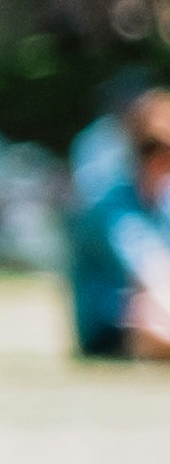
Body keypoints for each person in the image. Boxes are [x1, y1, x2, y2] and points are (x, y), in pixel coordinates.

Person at [73, 94, 170, 363]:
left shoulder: (162, 204)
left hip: (157, 310)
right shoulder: (111, 206)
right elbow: (151, 271)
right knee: (148, 310)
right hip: (111, 327)